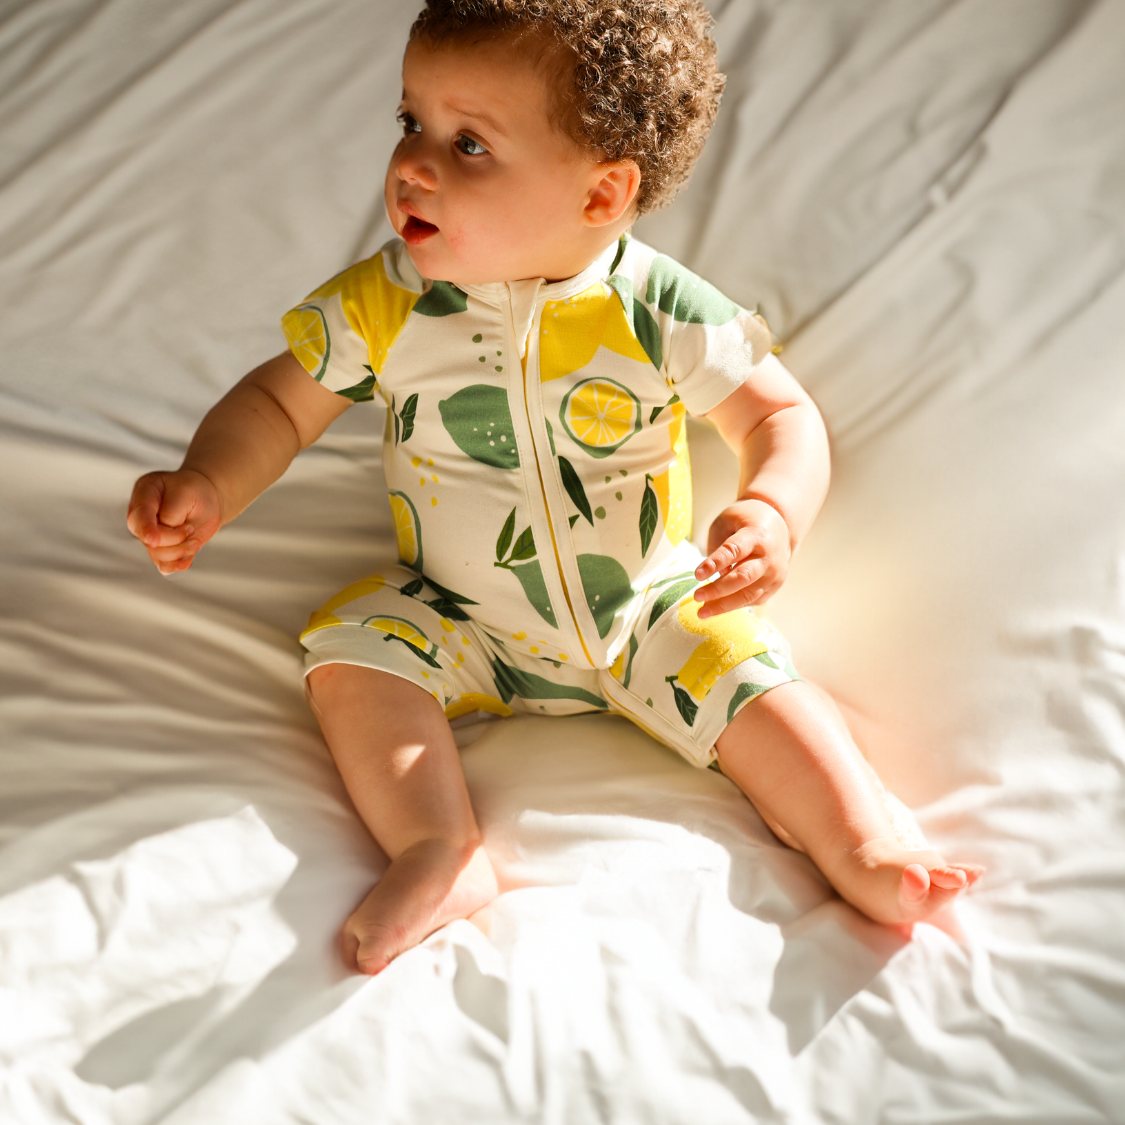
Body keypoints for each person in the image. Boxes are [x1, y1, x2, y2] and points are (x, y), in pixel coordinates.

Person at [127, 0, 980, 976]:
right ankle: (438, 847)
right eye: (411, 122)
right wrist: (209, 479)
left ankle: (863, 843)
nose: (412, 164)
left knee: (753, 677)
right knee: (352, 649)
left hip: (650, 608)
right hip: (460, 614)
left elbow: (779, 417)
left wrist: (770, 512)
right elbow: (277, 405)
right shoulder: (386, 303)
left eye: (470, 144)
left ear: (601, 193)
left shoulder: (656, 308)